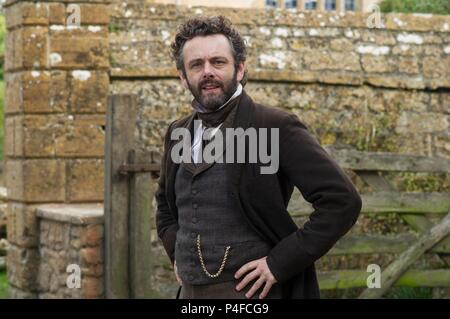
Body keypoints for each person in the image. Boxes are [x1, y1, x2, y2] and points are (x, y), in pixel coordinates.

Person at [155, 15, 362, 299]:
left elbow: (342, 201)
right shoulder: (178, 132)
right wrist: (176, 252)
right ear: (183, 77)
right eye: (196, 65)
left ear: (239, 69)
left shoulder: (275, 126)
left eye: (218, 62)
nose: (207, 72)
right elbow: (165, 206)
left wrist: (278, 264)